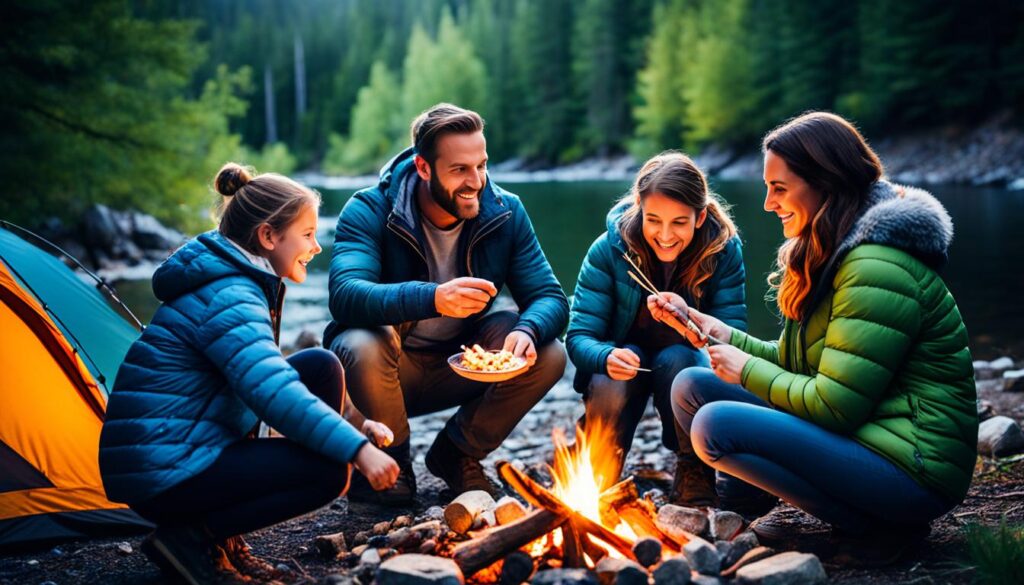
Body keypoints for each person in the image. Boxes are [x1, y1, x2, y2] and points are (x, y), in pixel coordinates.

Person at [666, 112, 978, 564]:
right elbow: (804, 366)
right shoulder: (828, 249)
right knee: (691, 386)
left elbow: (835, 404)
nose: (768, 205)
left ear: (825, 184)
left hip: (914, 468)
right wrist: (717, 330)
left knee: (714, 427)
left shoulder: (875, 266)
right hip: (869, 434)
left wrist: (747, 370)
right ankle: (763, 501)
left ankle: (878, 527)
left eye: (779, 188)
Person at [99, 163, 400, 585]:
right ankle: (193, 538)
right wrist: (357, 450)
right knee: (329, 472)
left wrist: (357, 424)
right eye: (308, 234)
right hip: (166, 472)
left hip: (184, 450)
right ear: (268, 236)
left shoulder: (237, 278)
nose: (316, 247)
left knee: (319, 365)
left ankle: (223, 538)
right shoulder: (231, 295)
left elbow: (270, 376)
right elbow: (271, 391)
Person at [325, 103, 569, 504]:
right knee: (361, 342)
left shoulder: (506, 212)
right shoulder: (369, 209)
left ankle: (456, 454)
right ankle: (389, 461)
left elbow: (550, 298)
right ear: (423, 168)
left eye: (482, 165)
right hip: (386, 371)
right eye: (459, 170)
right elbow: (345, 295)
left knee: (548, 353)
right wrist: (434, 298)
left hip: (460, 366)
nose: (476, 181)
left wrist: (528, 329)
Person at [565, 152, 746, 505]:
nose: (665, 235)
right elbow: (578, 337)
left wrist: (693, 324)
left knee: (680, 360)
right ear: (638, 210)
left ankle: (693, 466)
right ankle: (600, 461)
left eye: (680, 222)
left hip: (683, 362)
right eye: (653, 220)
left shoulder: (723, 251)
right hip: (623, 361)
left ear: (701, 216)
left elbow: (733, 336)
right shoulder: (608, 250)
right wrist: (605, 356)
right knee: (614, 373)